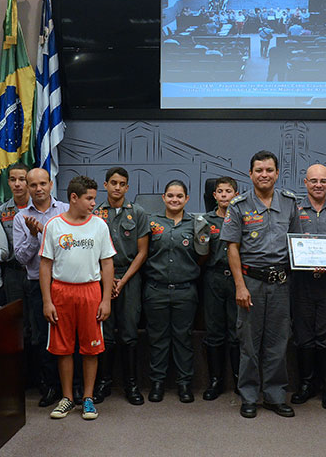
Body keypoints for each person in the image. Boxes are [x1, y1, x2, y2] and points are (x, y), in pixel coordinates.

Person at [221, 150, 300, 419]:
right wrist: (239, 286)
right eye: (259, 170)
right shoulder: (238, 205)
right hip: (251, 282)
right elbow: (232, 248)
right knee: (249, 343)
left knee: (278, 342)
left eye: (269, 170)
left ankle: (275, 396)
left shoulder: (290, 203)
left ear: (277, 174)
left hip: (281, 284)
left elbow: (297, 244)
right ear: (251, 174)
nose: (264, 175)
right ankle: (250, 396)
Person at [41, 176, 115, 421]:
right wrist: (47, 301)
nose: (94, 203)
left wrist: (105, 300)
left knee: (91, 349)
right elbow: (45, 265)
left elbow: (107, 264)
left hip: (90, 292)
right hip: (61, 292)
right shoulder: (54, 225)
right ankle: (66, 398)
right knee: (63, 349)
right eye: (89, 198)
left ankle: (88, 398)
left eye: (94, 198)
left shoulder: (99, 226)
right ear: (74, 198)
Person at [144, 180, 209, 403]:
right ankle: (158, 383)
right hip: (156, 290)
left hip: (185, 291)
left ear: (187, 199)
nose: (174, 200)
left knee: (183, 338)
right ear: (163, 198)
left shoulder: (197, 224)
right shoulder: (151, 222)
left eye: (179, 196)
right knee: (158, 338)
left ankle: (184, 383)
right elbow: (143, 253)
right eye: (170, 196)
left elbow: (202, 254)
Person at [290, 164, 326, 409]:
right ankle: (306, 385)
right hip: (301, 283)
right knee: (303, 334)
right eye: (313, 181)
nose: (318, 185)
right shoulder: (293, 210)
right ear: (305, 182)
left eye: (323, 181)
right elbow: (287, 243)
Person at [93, 167, 149, 405]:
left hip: (130, 277)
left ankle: (131, 384)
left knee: (128, 333)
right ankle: (104, 382)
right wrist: (107, 279)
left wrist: (122, 281)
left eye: (122, 183)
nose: (117, 187)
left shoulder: (137, 213)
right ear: (105, 185)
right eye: (113, 183)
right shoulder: (95, 213)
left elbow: (142, 252)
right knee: (104, 332)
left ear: (127, 187)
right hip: (100, 276)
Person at [13, 168, 69, 406]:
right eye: (33, 185)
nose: (38, 189)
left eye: (42, 184)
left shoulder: (67, 210)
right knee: (42, 337)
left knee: (69, 334)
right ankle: (49, 387)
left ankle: (72, 386)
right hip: (37, 284)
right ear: (27, 186)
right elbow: (21, 258)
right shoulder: (20, 218)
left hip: (66, 281)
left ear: (51, 184)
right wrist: (34, 236)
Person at [0, 163, 31, 378]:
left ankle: (42, 377)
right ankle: (22, 376)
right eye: (13, 179)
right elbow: (2, 248)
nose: (17, 184)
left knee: (38, 322)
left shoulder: (40, 207)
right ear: (8, 182)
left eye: (22, 179)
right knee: (17, 324)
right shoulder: (2, 211)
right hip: (13, 273)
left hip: (36, 272)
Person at [201, 176, 239, 401]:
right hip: (213, 278)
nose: (224, 195)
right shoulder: (205, 221)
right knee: (214, 330)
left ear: (235, 194)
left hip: (236, 278)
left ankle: (238, 379)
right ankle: (215, 381)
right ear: (214, 195)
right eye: (220, 192)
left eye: (228, 191)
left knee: (237, 331)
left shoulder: (243, 218)